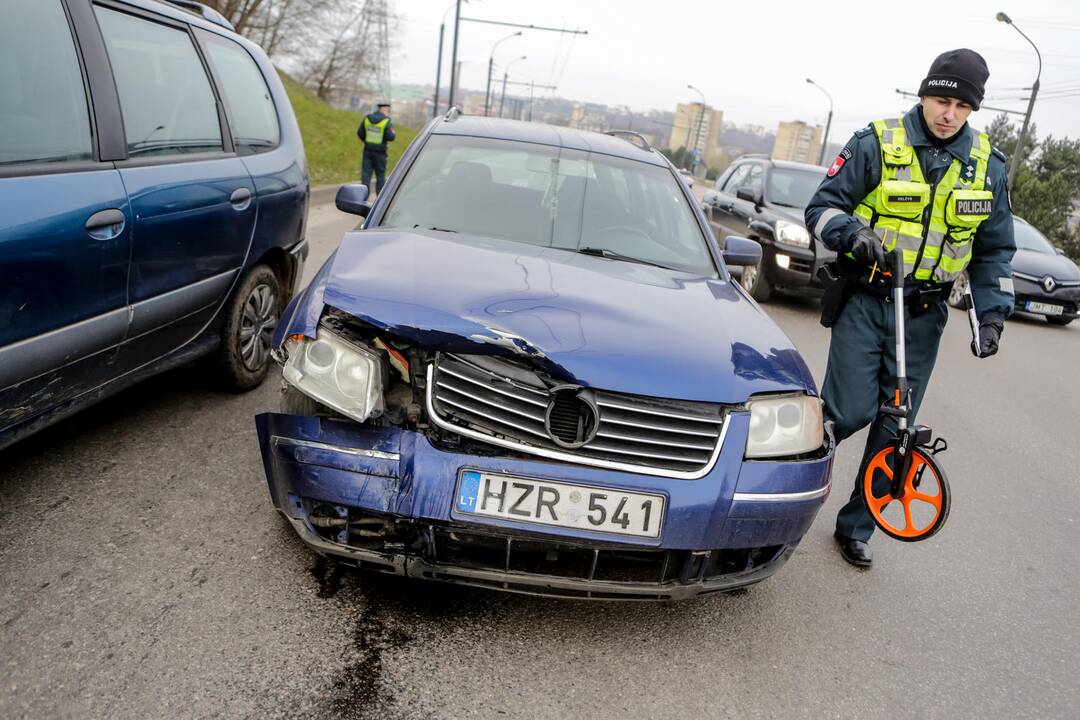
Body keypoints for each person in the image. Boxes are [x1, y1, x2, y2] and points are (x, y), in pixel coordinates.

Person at [805, 48, 1016, 568]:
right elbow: (820, 208)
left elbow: (994, 252)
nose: (949, 114)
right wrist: (851, 233)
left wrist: (991, 317)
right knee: (848, 410)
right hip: (868, 299)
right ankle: (783, 492)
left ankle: (856, 528)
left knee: (895, 427)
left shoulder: (987, 166)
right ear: (923, 95)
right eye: (941, 100)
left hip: (924, 314)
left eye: (961, 106)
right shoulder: (876, 143)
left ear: (972, 110)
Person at [358, 102, 396, 196]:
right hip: (380, 153)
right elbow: (391, 137)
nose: (388, 112)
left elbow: (360, 133)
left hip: (367, 151)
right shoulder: (386, 121)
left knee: (366, 175)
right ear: (383, 109)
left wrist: (368, 142)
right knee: (380, 176)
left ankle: (363, 196)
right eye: (388, 110)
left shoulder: (367, 118)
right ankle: (379, 198)